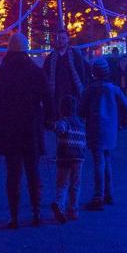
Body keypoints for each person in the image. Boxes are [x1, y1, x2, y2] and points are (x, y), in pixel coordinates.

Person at [0, 32, 55, 228]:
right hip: (31, 129)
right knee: (33, 172)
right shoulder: (36, 72)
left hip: (9, 130)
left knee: (13, 175)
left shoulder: (1, 75)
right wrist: (50, 121)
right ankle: (36, 212)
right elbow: (48, 100)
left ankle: (14, 216)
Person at [80, 56, 127, 210]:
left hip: (95, 127)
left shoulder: (90, 89)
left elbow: (81, 110)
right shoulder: (113, 88)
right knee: (107, 160)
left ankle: (98, 197)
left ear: (94, 73)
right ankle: (109, 194)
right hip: (110, 129)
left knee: (98, 162)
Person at [49, 94, 87, 223]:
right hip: (79, 158)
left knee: (62, 184)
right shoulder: (80, 122)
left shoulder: (63, 121)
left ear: (62, 109)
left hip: (64, 156)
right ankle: (74, 209)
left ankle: (59, 205)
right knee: (75, 184)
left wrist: (53, 126)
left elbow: (60, 130)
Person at [43, 29, 88, 111]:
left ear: (68, 39)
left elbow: (82, 73)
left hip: (72, 93)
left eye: (63, 38)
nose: (61, 41)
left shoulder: (76, 56)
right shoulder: (50, 58)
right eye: (59, 38)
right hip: (56, 94)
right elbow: (45, 75)